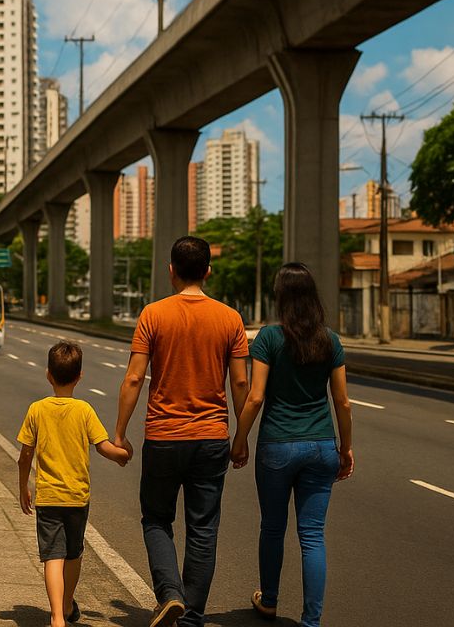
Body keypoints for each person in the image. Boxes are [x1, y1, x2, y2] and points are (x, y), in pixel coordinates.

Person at [112, 236, 250, 627]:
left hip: (163, 437)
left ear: (170, 270)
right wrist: (240, 438)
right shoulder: (230, 318)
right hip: (211, 438)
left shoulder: (153, 314)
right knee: (203, 528)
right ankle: (190, 618)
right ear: (208, 271)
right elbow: (240, 385)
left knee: (157, 519)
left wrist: (120, 434)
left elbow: (135, 378)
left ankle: (170, 594)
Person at [230, 262, 354, 627]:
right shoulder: (329, 340)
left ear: (280, 297)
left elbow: (254, 398)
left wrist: (239, 441)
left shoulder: (268, 339)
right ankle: (311, 621)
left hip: (278, 446)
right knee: (312, 535)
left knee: (272, 526)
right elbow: (343, 402)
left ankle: (269, 600)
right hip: (321, 446)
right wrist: (345, 448)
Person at [18, 340, 129, 627]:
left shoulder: (36, 409)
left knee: (52, 556)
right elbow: (104, 447)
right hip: (77, 497)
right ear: (80, 377)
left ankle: (56, 617)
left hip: (48, 497)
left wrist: (23, 488)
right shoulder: (85, 410)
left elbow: (25, 455)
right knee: (73, 553)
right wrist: (122, 455)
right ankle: (67, 605)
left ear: (48, 374)